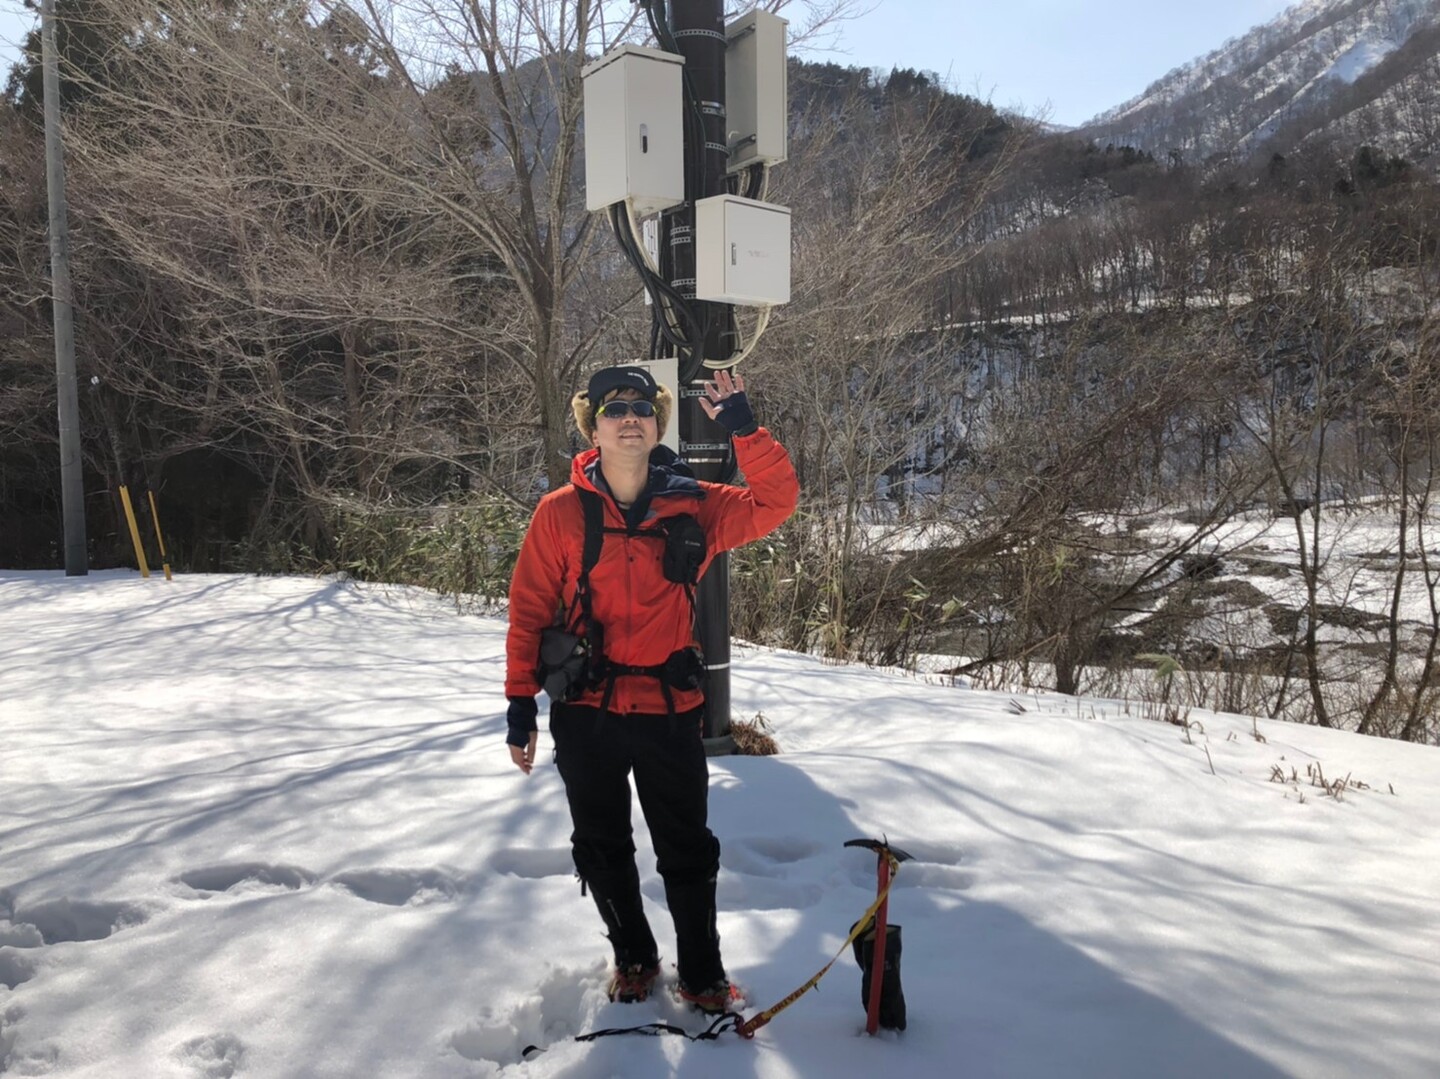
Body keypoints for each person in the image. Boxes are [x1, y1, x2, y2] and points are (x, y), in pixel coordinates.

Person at [504, 364, 799, 1012]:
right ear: (594, 425)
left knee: (688, 852)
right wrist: (520, 706)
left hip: (669, 711)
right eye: (615, 408)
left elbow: (775, 501)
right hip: (587, 712)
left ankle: (701, 975)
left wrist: (745, 430)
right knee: (601, 846)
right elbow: (529, 611)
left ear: (657, 421)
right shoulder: (561, 514)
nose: (629, 416)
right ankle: (634, 958)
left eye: (641, 406)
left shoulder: (694, 502)